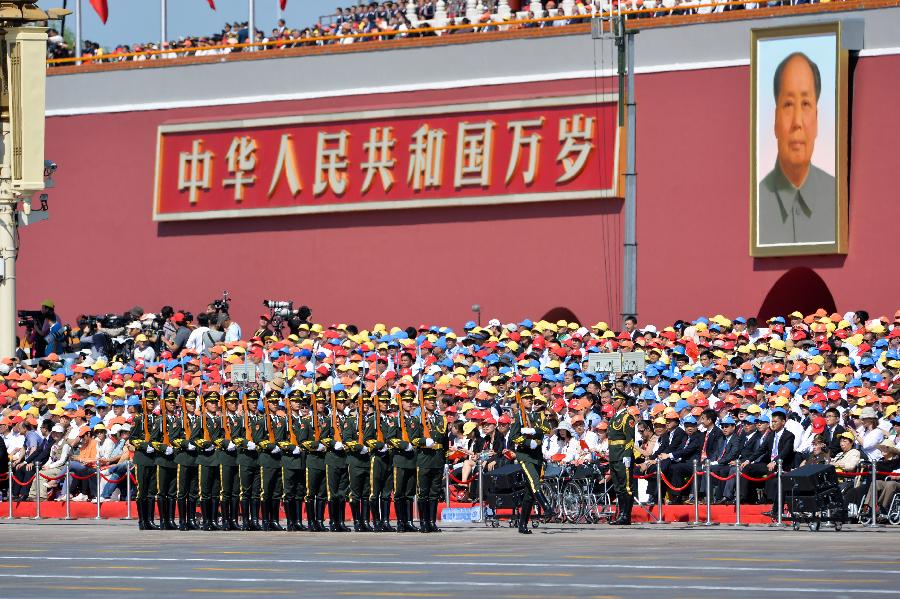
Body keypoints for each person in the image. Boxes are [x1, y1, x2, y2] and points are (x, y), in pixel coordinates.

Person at [757, 52, 836, 246]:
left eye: (806, 104)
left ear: (817, 120)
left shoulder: (838, 199)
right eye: (789, 104)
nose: (797, 122)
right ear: (775, 120)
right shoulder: (755, 204)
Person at [510, 386, 553, 533]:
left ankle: (522, 525)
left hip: (537, 456)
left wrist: (535, 431)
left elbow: (548, 428)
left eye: (531, 398)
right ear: (520, 401)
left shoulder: (538, 416)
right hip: (525, 456)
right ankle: (547, 507)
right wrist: (528, 442)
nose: (529, 400)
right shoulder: (518, 417)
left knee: (529, 492)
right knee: (534, 482)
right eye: (526, 398)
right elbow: (513, 437)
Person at [606, 392, 636, 524]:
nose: (613, 401)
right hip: (614, 456)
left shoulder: (627, 417)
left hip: (623, 456)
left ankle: (626, 515)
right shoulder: (614, 417)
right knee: (618, 487)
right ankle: (621, 515)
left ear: (623, 401)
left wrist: (627, 455)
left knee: (626, 486)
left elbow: (630, 438)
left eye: (616, 399)